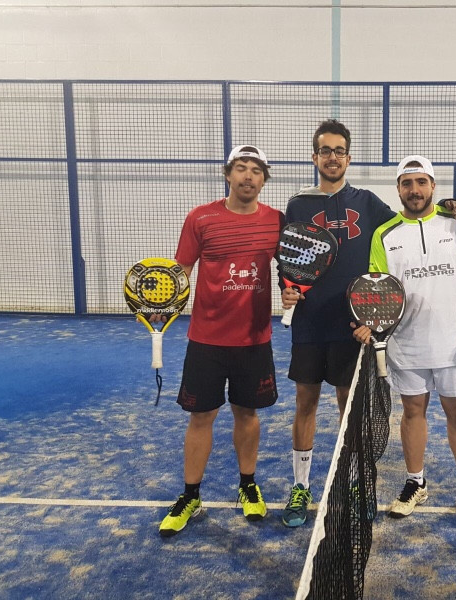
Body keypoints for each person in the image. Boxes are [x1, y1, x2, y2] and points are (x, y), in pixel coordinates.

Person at [280, 120, 456, 528]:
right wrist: (286, 290)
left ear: (348, 157)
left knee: (350, 409)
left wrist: (448, 208)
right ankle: (300, 486)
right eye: (325, 151)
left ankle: (356, 482)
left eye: (339, 151)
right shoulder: (297, 205)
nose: (332, 157)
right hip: (309, 325)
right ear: (314, 157)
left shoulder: (367, 202)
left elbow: (409, 220)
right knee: (305, 404)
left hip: (353, 326)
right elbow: (289, 255)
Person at [354, 155, 456, 531]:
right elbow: (378, 289)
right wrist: (370, 323)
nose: (414, 190)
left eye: (421, 182)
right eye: (407, 183)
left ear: (433, 186)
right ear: (398, 189)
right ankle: (415, 482)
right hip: (407, 344)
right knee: (412, 412)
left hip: (454, 344)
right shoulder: (384, 235)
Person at [158, 145, 284, 537]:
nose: (248, 176)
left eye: (256, 171)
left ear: (264, 180)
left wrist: (292, 290)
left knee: (247, 414)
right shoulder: (201, 217)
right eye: (241, 168)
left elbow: (291, 269)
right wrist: (165, 305)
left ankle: (248, 485)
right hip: (207, 339)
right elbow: (182, 269)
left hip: (254, 340)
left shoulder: (276, 221)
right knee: (201, 417)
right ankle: (190, 495)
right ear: (228, 174)